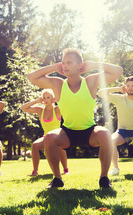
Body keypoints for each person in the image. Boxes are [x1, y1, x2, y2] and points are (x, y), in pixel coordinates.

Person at [27, 48, 123, 189]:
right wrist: (54, 67)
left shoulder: (90, 82)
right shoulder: (58, 84)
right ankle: (57, 178)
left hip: (89, 131)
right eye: (64, 63)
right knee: (49, 137)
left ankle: (104, 178)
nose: (65, 66)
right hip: (67, 133)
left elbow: (118, 71)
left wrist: (95, 65)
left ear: (80, 65)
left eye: (69, 63)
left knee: (105, 133)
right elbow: (31, 77)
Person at [21, 89, 69, 176]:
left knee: (60, 146)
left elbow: (68, 103)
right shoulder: (40, 110)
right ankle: (35, 171)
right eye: (44, 97)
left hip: (58, 137)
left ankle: (66, 169)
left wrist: (57, 100)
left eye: (48, 97)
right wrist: (36, 101)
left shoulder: (57, 110)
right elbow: (23, 107)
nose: (46, 99)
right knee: (35, 146)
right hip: (46, 138)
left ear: (52, 99)